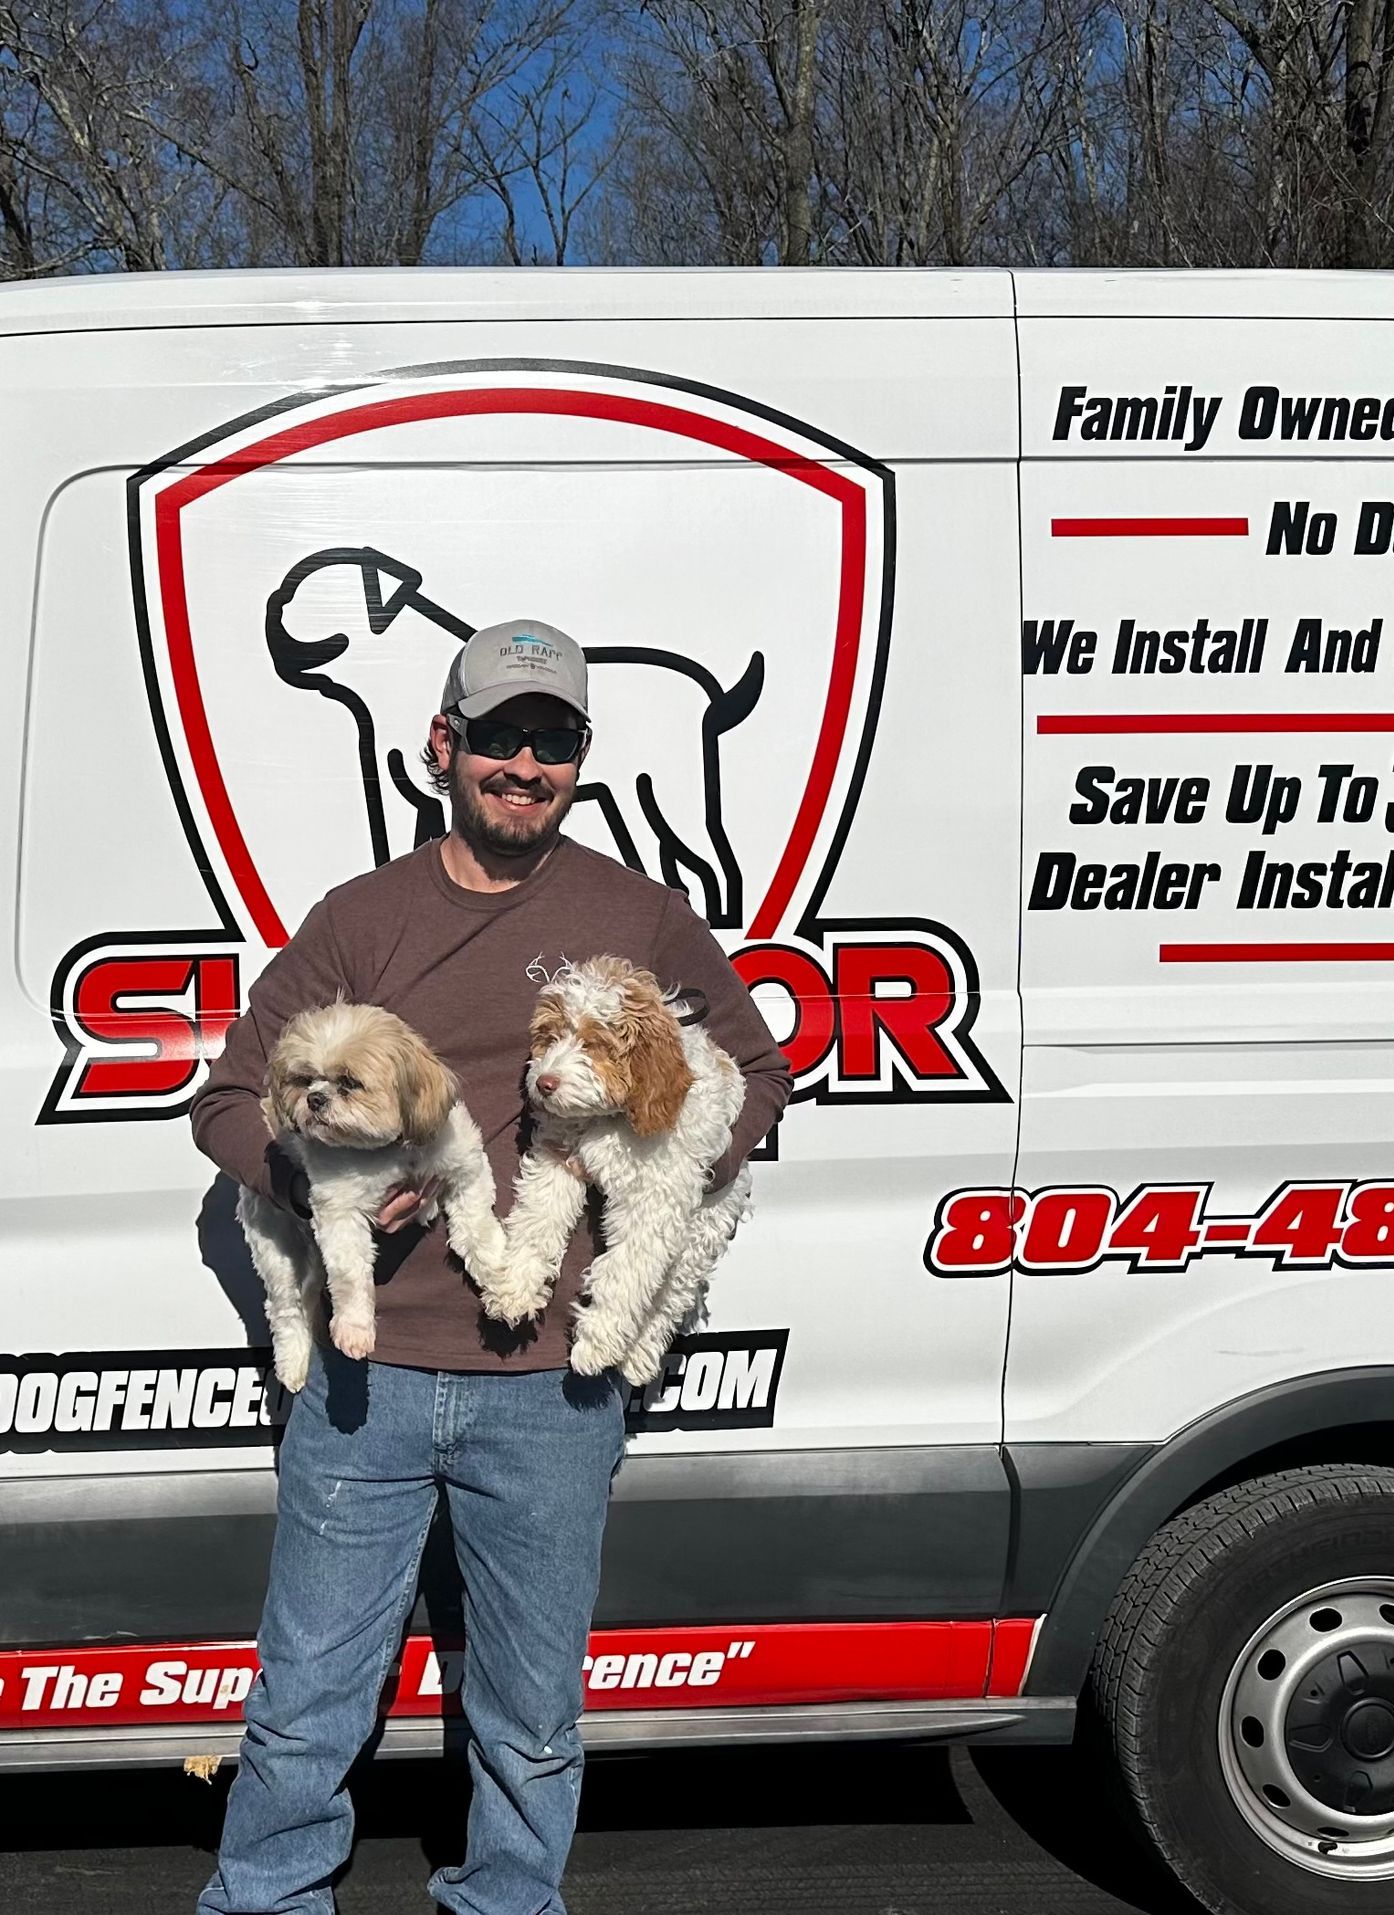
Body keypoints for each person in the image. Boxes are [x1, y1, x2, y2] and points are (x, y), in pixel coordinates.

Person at [190, 619, 792, 1915]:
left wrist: (664, 1157)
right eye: (500, 736)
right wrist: (310, 1174)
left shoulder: (637, 915)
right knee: (306, 1707)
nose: (525, 763)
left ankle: (508, 1903)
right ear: (443, 747)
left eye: (554, 739)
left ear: (578, 759)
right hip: (370, 1381)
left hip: (550, 1390)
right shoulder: (361, 924)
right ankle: (265, 1901)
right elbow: (230, 1098)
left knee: (529, 1720)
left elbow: (760, 1074)